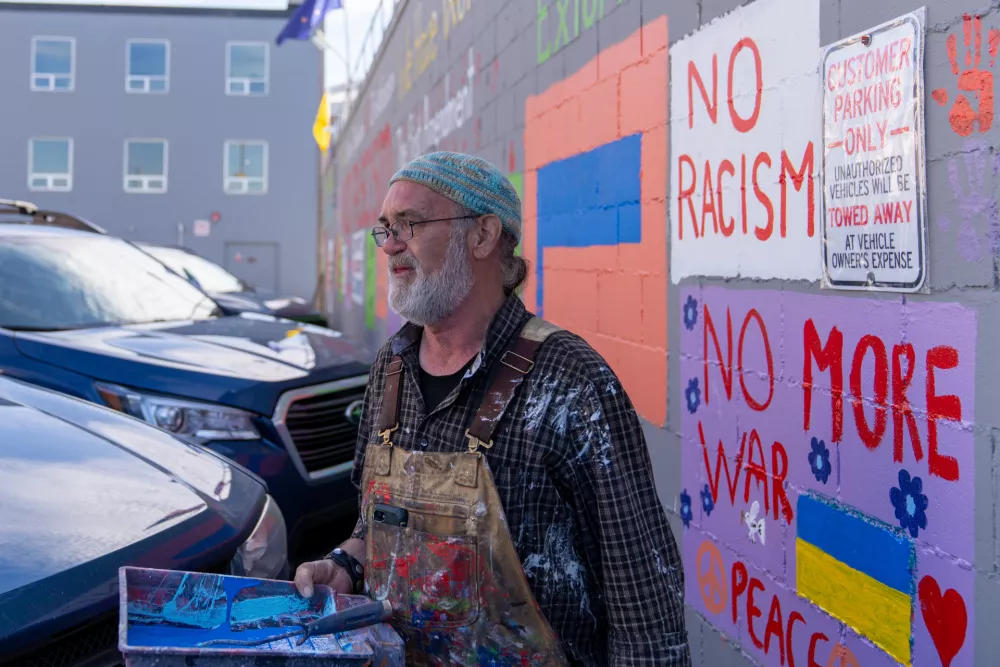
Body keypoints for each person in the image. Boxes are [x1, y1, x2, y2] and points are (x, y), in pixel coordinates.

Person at [293, 151, 690, 666]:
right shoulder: (388, 371)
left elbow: (645, 607)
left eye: (410, 224)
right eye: (385, 227)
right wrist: (346, 563)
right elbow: (381, 527)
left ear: (482, 236)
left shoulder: (571, 380)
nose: (390, 244)